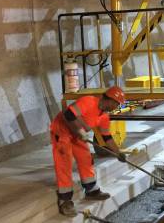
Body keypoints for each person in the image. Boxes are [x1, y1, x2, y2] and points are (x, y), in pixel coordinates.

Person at [50, 86, 127, 217]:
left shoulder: (104, 116)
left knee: (86, 158)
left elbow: (106, 137)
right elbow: (68, 114)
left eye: (117, 105)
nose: (115, 107)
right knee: (64, 162)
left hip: (77, 135)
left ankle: (91, 190)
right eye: (115, 103)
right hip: (62, 131)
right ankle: (65, 200)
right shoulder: (88, 101)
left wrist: (118, 152)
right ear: (107, 99)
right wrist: (80, 131)